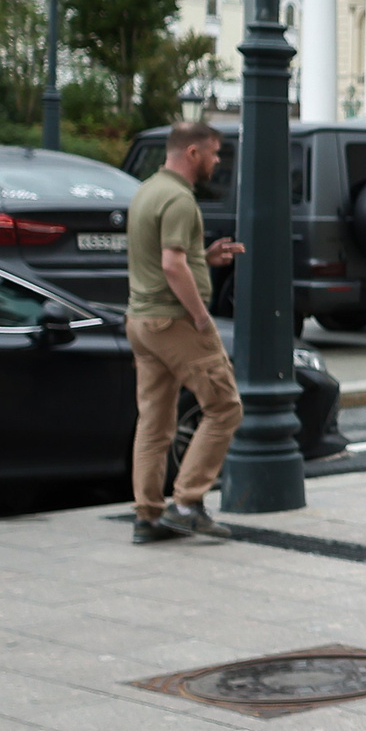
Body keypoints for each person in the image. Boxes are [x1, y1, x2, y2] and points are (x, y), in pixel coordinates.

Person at [125, 121, 246, 544]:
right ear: (192, 153)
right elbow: (172, 265)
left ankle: (148, 516)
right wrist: (200, 317)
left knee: (155, 423)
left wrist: (206, 258)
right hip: (174, 320)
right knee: (225, 406)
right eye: (214, 153)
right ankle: (188, 503)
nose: (217, 162)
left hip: (142, 320)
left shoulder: (148, 191)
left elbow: (173, 257)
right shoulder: (178, 199)